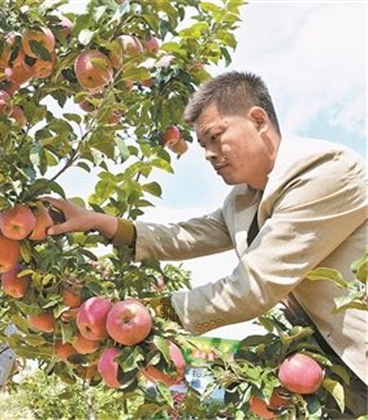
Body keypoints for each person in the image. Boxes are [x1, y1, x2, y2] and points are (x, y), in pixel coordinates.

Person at [44, 71, 367, 416]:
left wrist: (153, 311)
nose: (209, 154)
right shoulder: (242, 200)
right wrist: (103, 222)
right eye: (203, 146)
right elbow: (188, 235)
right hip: (325, 366)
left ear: (258, 120)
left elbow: (253, 287)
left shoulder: (324, 172)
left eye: (215, 137)